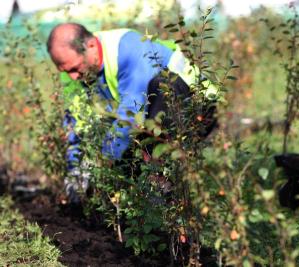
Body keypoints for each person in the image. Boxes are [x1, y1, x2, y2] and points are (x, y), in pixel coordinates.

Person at [47, 23, 218, 202]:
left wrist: (99, 161)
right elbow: (76, 124)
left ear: (90, 46)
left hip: (198, 108)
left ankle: (166, 197)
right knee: (120, 167)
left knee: (163, 88)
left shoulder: (128, 49)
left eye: (75, 68)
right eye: (66, 71)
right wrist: (75, 169)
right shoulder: (71, 71)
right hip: (148, 121)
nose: (73, 76)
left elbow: (131, 114)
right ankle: (141, 205)